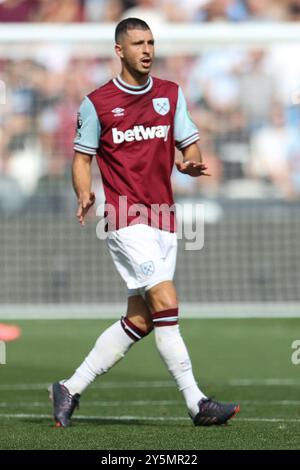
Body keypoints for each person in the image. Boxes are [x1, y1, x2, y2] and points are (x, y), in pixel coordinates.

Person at [49, 17, 240, 428]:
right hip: (124, 217)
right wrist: (84, 192)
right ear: (120, 50)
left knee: (142, 319)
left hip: (164, 217)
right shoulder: (97, 103)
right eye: (138, 43)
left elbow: (188, 143)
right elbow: (82, 158)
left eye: (151, 42)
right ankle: (197, 402)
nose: (147, 50)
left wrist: (189, 164)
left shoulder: (170, 94)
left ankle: (69, 387)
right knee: (166, 300)